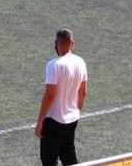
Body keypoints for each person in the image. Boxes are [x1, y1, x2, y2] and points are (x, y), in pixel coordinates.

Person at [35, 28, 88, 166]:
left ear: (56, 43)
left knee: (49, 160)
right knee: (69, 157)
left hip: (53, 120)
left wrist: (40, 122)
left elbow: (50, 95)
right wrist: (77, 112)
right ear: (72, 43)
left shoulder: (54, 65)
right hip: (72, 118)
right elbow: (83, 92)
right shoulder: (80, 62)